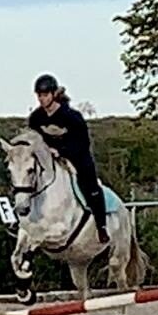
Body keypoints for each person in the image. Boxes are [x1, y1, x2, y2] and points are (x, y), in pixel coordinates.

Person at [26, 73, 109, 244]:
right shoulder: (36, 118)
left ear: (54, 94)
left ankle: (101, 226)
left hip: (76, 156)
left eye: (45, 95)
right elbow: (34, 139)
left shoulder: (72, 116)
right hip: (48, 159)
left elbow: (82, 143)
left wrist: (60, 151)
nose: (41, 99)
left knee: (90, 185)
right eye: (39, 95)